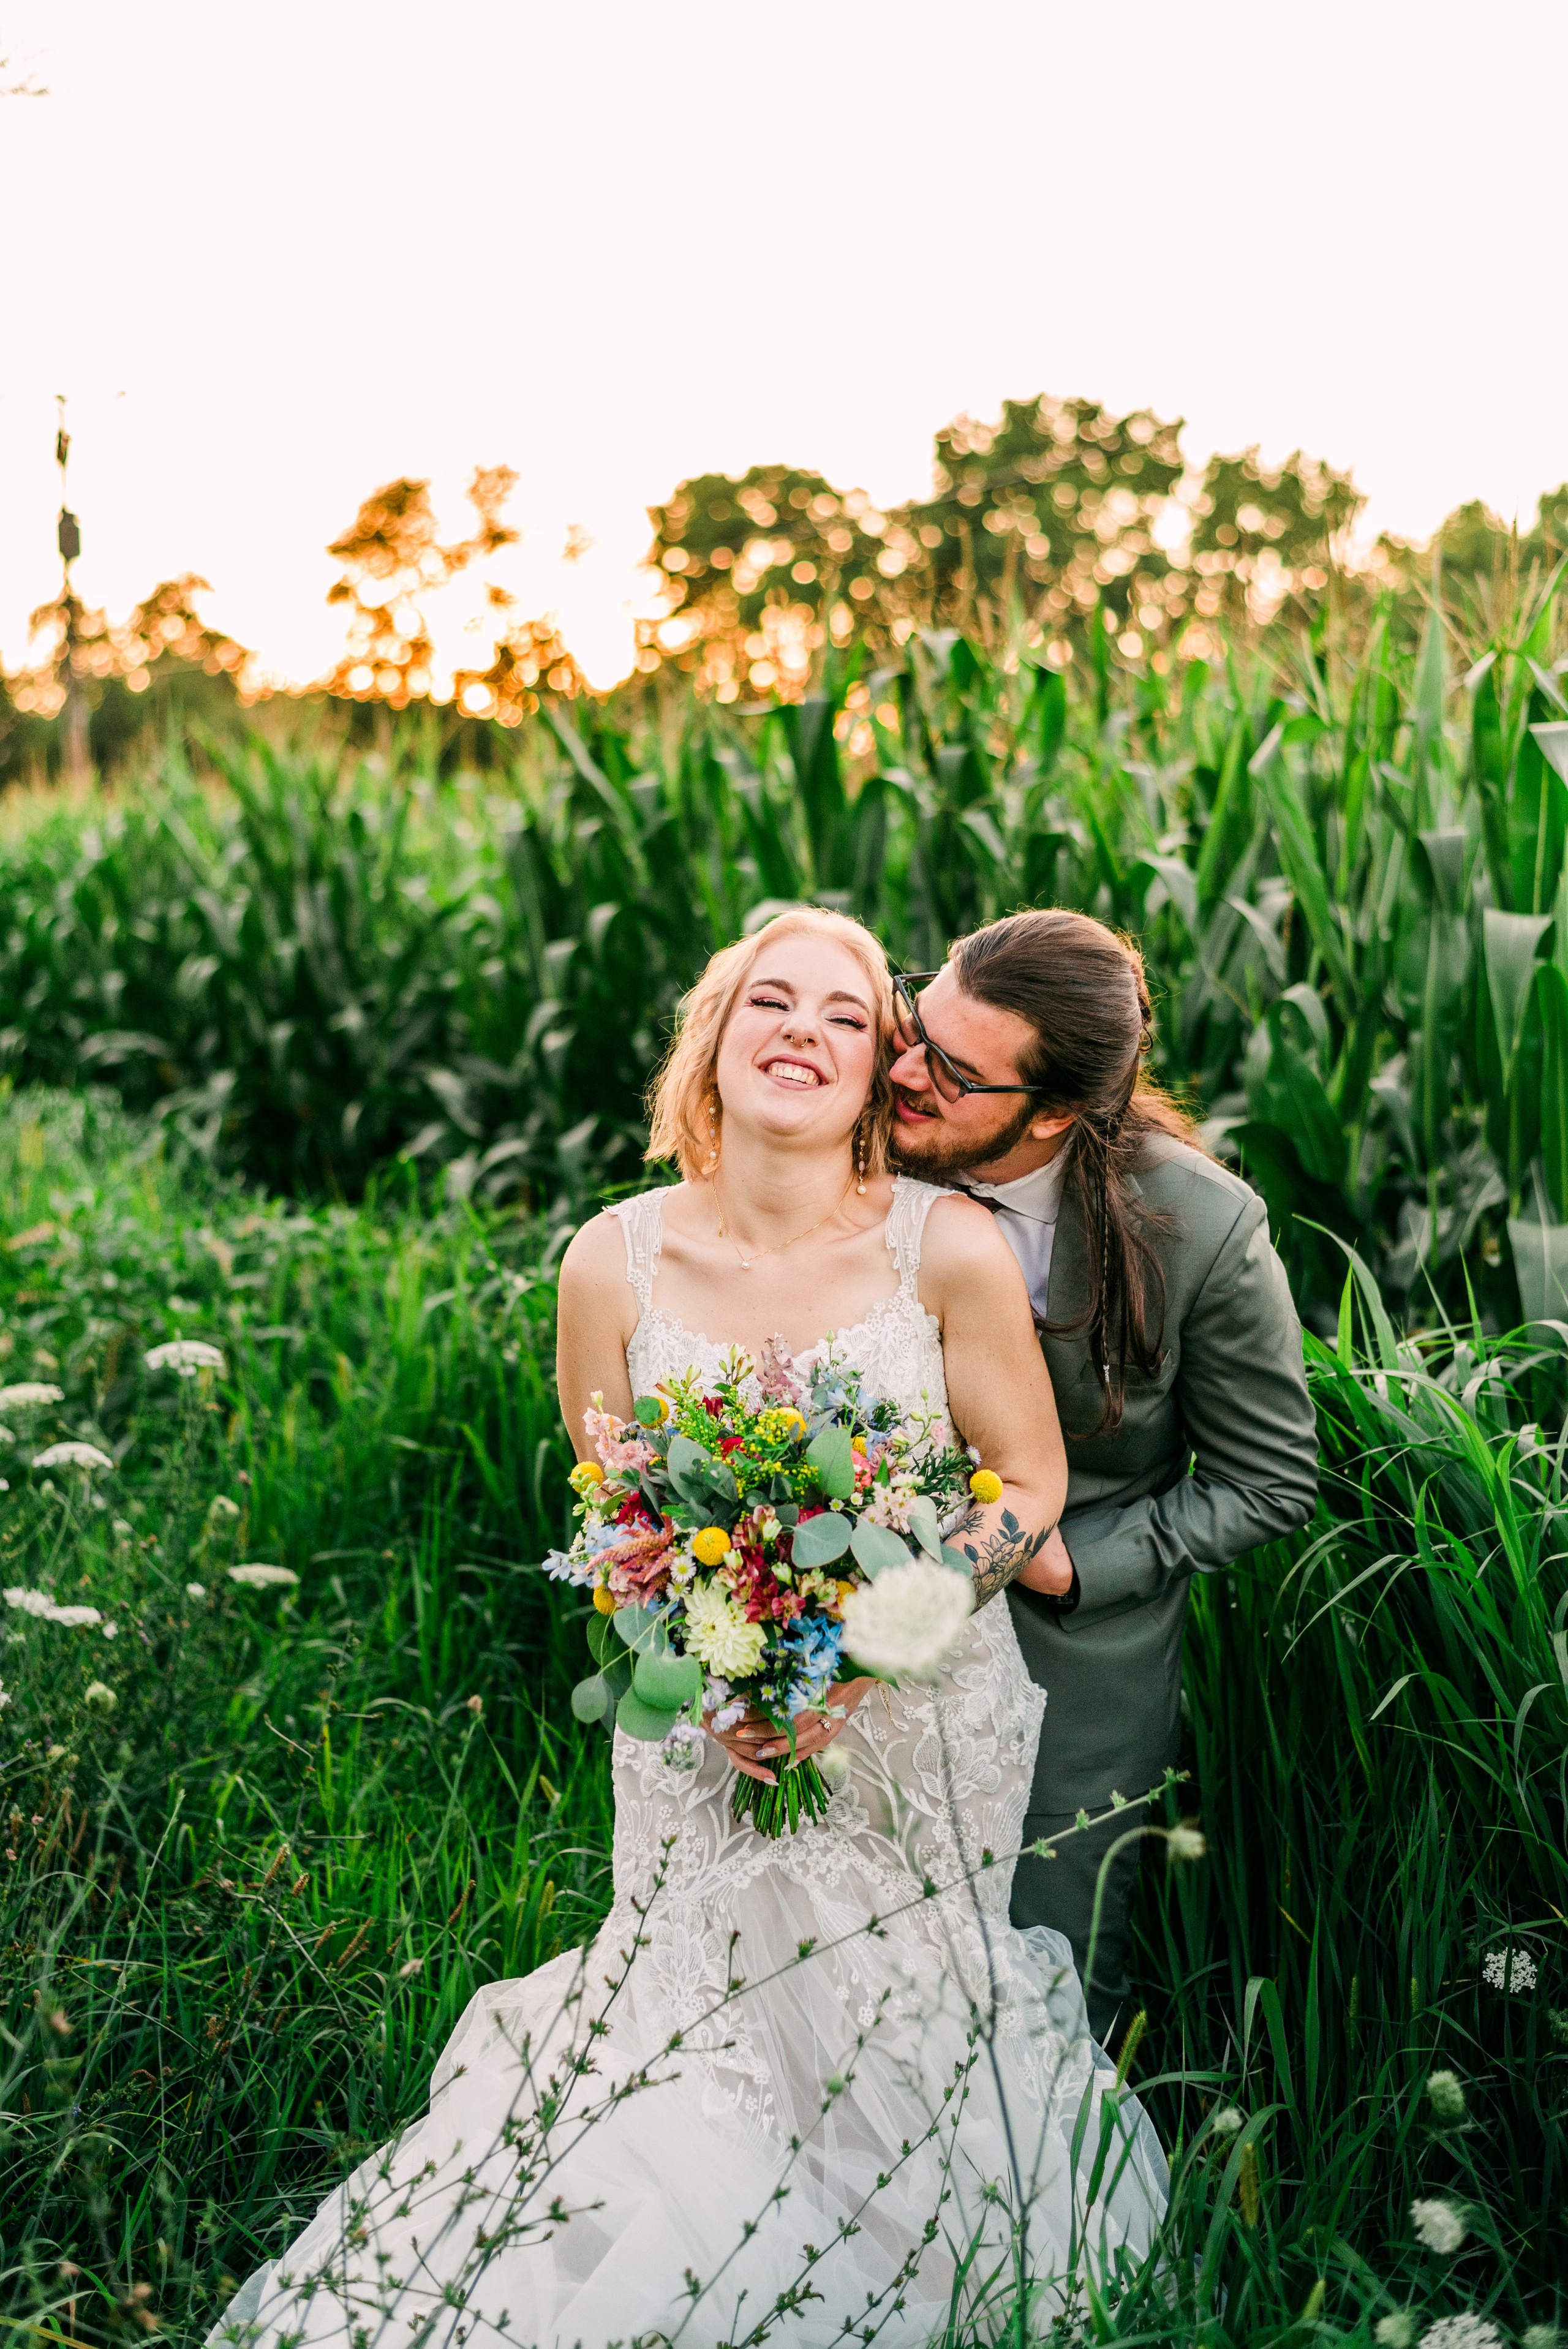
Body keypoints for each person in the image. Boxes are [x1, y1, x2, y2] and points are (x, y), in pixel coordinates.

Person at [209, 907, 1166, 2349]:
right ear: (711, 1046)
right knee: (693, 2034)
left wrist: (859, 1652)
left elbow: (1023, 1487)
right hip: (704, 1728)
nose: (801, 1030)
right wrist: (715, 1667)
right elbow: (616, 1527)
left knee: (895, 2038)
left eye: (844, 1015)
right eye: (766, 1002)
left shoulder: (947, 1247)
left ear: (877, 1071)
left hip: (908, 1712)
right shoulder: (610, 1261)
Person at [886, 907, 1319, 2049]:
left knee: (1046, 1984)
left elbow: (1271, 1477)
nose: (901, 1073)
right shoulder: (859, 1145)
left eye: (952, 1071)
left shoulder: (1203, 1229)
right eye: (912, 1023)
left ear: (1059, 1113)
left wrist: (1084, 1566)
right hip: (853, 1619)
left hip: (1071, 1657)